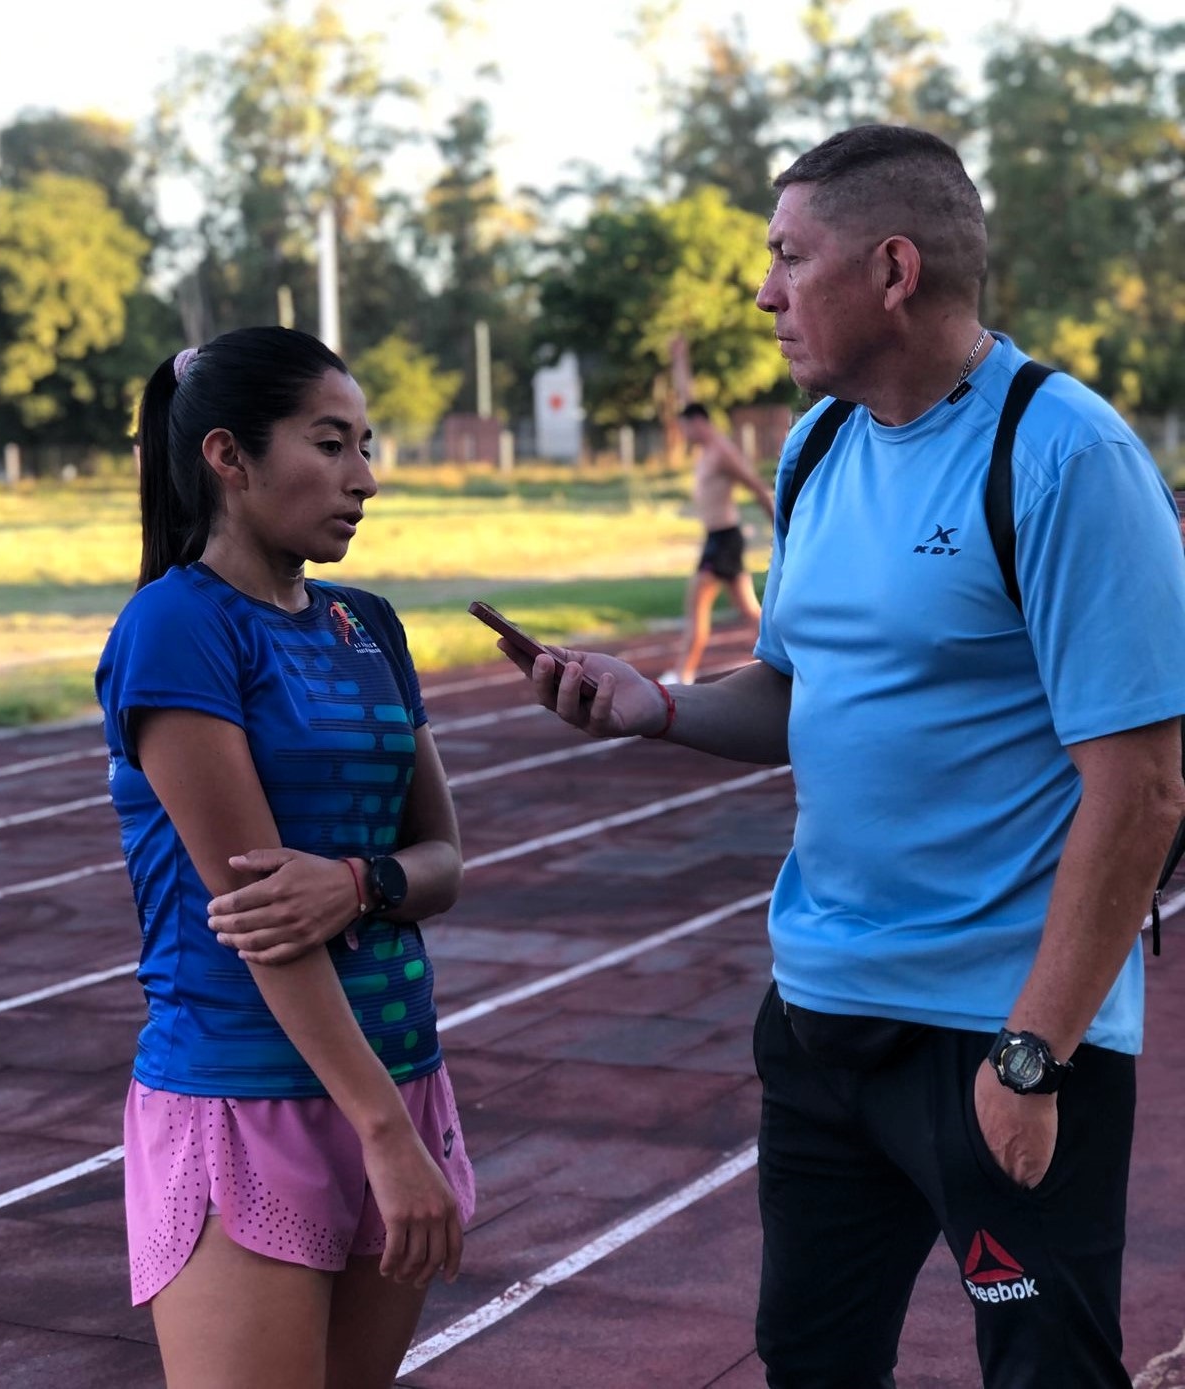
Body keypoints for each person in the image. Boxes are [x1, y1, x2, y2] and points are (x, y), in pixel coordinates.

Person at [497, 125, 1185, 1389]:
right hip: (821, 1016)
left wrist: (1032, 1055)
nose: (764, 292)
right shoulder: (818, 450)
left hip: (998, 1031)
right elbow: (802, 691)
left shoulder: (1065, 457)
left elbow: (1140, 790)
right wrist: (657, 706)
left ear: (894, 270)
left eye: (787, 257)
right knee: (810, 1364)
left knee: (1049, 1373)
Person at [95, 326, 474, 1389]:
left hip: (398, 1070)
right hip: (245, 1096)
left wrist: (363, 881)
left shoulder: (370, 625)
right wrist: (386, 1138)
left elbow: (444, 858)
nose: (365, 477)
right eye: (331, 443)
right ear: (229, 456)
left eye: (366, 444)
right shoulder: (177, 629)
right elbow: (263, 922)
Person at [659, 402, 776, 686]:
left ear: (698, 422)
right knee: (749, 610)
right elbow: (684, 389)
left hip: (724, 540)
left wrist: (782, 528)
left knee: (696, 602)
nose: (684, 434)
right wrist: (679, 359)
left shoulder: (723, 452)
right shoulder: (707, 452)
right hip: (718, 539)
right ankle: (790, 652)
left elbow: (756, 486)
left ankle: (683, 674)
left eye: (685, 427)